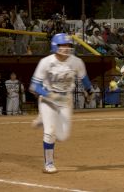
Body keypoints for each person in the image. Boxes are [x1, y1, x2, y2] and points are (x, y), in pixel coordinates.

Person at [29, 33, 93, 174]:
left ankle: (43, 120)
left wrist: (90, 90)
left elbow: (84, 78)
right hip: (48, 99)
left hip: (65, 100)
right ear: (55, 46)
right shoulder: (46, 62)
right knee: (50, 132)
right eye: (62, 45)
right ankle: (49, 163)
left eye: (68, 45)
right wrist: (50, 95)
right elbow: (34, 86)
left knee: (63, 136)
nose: (66, 48)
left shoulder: (76, 62)